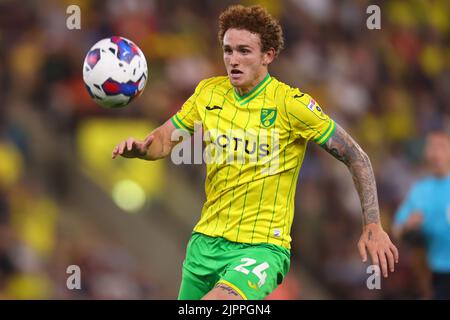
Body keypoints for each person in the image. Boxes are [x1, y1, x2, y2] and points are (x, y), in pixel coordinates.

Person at [112, 5, 398, 300]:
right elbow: (164, 140)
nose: (233, 60)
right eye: (228, 50)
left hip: (261, 247)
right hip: (204, 244)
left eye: (244, 51)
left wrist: (373, 224)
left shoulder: (291, 104)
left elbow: (355, 155)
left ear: (268, 55)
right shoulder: (208, 93)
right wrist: (143, 149)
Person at [393, 130, 450, 299]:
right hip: (435, 273)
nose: (436, 152)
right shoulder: (420, 190)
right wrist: (408, 226)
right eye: (431, 147)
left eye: (441, 147)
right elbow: (397, 229)